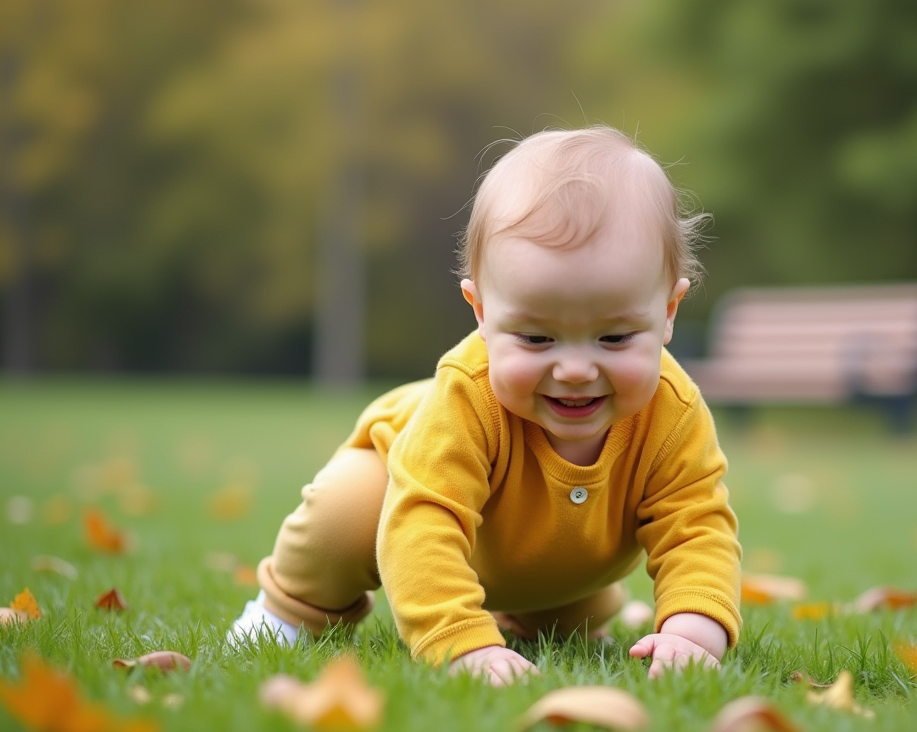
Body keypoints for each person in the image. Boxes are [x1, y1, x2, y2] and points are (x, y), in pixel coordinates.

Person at [230, 125, 742, 685]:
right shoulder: (467, 396)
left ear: (668, 311)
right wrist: (461, 644)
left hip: (564, 571)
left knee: (570, 628)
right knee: (345, 512)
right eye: (537, 338)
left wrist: (693, 633)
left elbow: (696, 526)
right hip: (408, 500)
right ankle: (288, 612)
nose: (575, 370)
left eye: (615, 338)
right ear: (481, 312)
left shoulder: (673, 411)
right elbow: (423, 524)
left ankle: (535, 612)